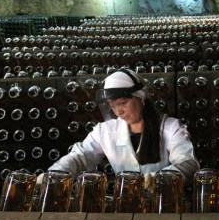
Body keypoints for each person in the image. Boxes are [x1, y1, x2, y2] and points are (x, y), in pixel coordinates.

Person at [48, 69, 200, 183]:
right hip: (126, 203)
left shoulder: (170, 127)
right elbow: (80, 156)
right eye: (112, 106)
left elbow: (188, 163)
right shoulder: (105, 131)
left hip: (164, 203)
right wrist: (56, 172)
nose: (118, 111)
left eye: (122, 103)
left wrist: (159, 179)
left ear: (141, 99)